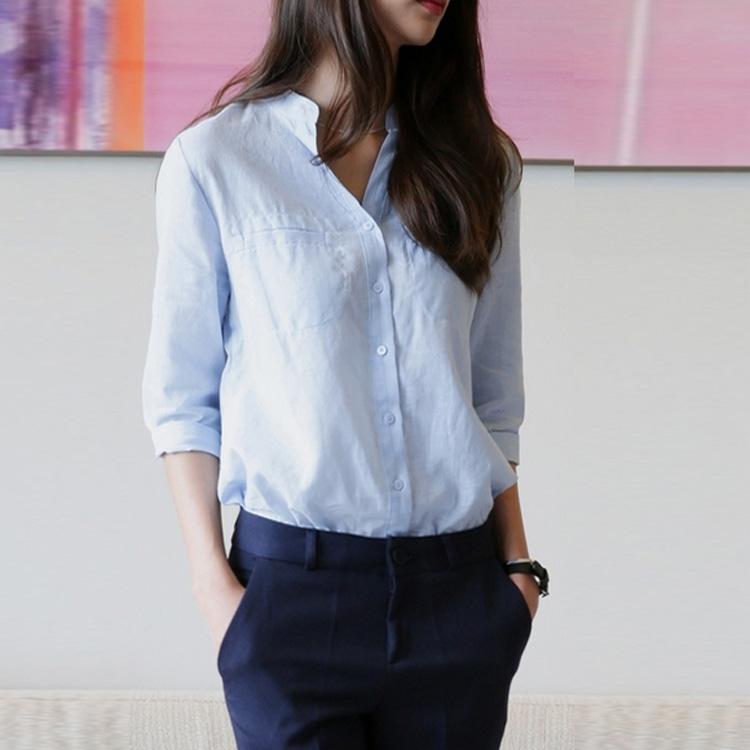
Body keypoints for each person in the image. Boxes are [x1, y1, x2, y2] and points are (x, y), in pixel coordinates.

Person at [142, 0, 549, 748]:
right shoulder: (217, 160)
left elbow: (492, 400)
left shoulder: (479, 163)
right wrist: (215, 592)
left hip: (458, 598)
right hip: (288, 601)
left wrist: (517, 575)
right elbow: (183, 402)